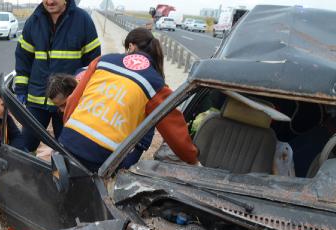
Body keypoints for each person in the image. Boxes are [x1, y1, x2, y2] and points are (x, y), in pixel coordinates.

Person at [59, 28, 200, 172]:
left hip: (68, 140)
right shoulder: (156, 85)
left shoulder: (102, 61)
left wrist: (69, 131)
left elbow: (73, 100)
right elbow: (175, 132)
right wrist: (192, 159)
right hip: (103, 156)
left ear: (131, 47)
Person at [15, 0, 100, 152]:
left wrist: (83, 95)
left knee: (68, 150)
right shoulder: (33, 21)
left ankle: (61, 175)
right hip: (36, 99)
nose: (49, 1)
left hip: (68, 101)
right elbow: (23, 58)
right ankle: (26, 175)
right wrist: (21, 90)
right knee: (26, 146)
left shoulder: (83, 21)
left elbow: (93, 64)